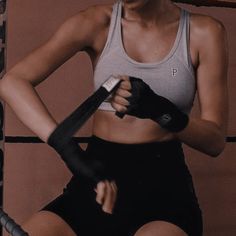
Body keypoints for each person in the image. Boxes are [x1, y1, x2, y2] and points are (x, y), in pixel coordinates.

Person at [0, 0, 228, 235]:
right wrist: (71, 153)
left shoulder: (204, 32)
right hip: (96, 182)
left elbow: (215, 141)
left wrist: (160, 110)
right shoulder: (97, 22)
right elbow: (12, 82)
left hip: (164, 192)